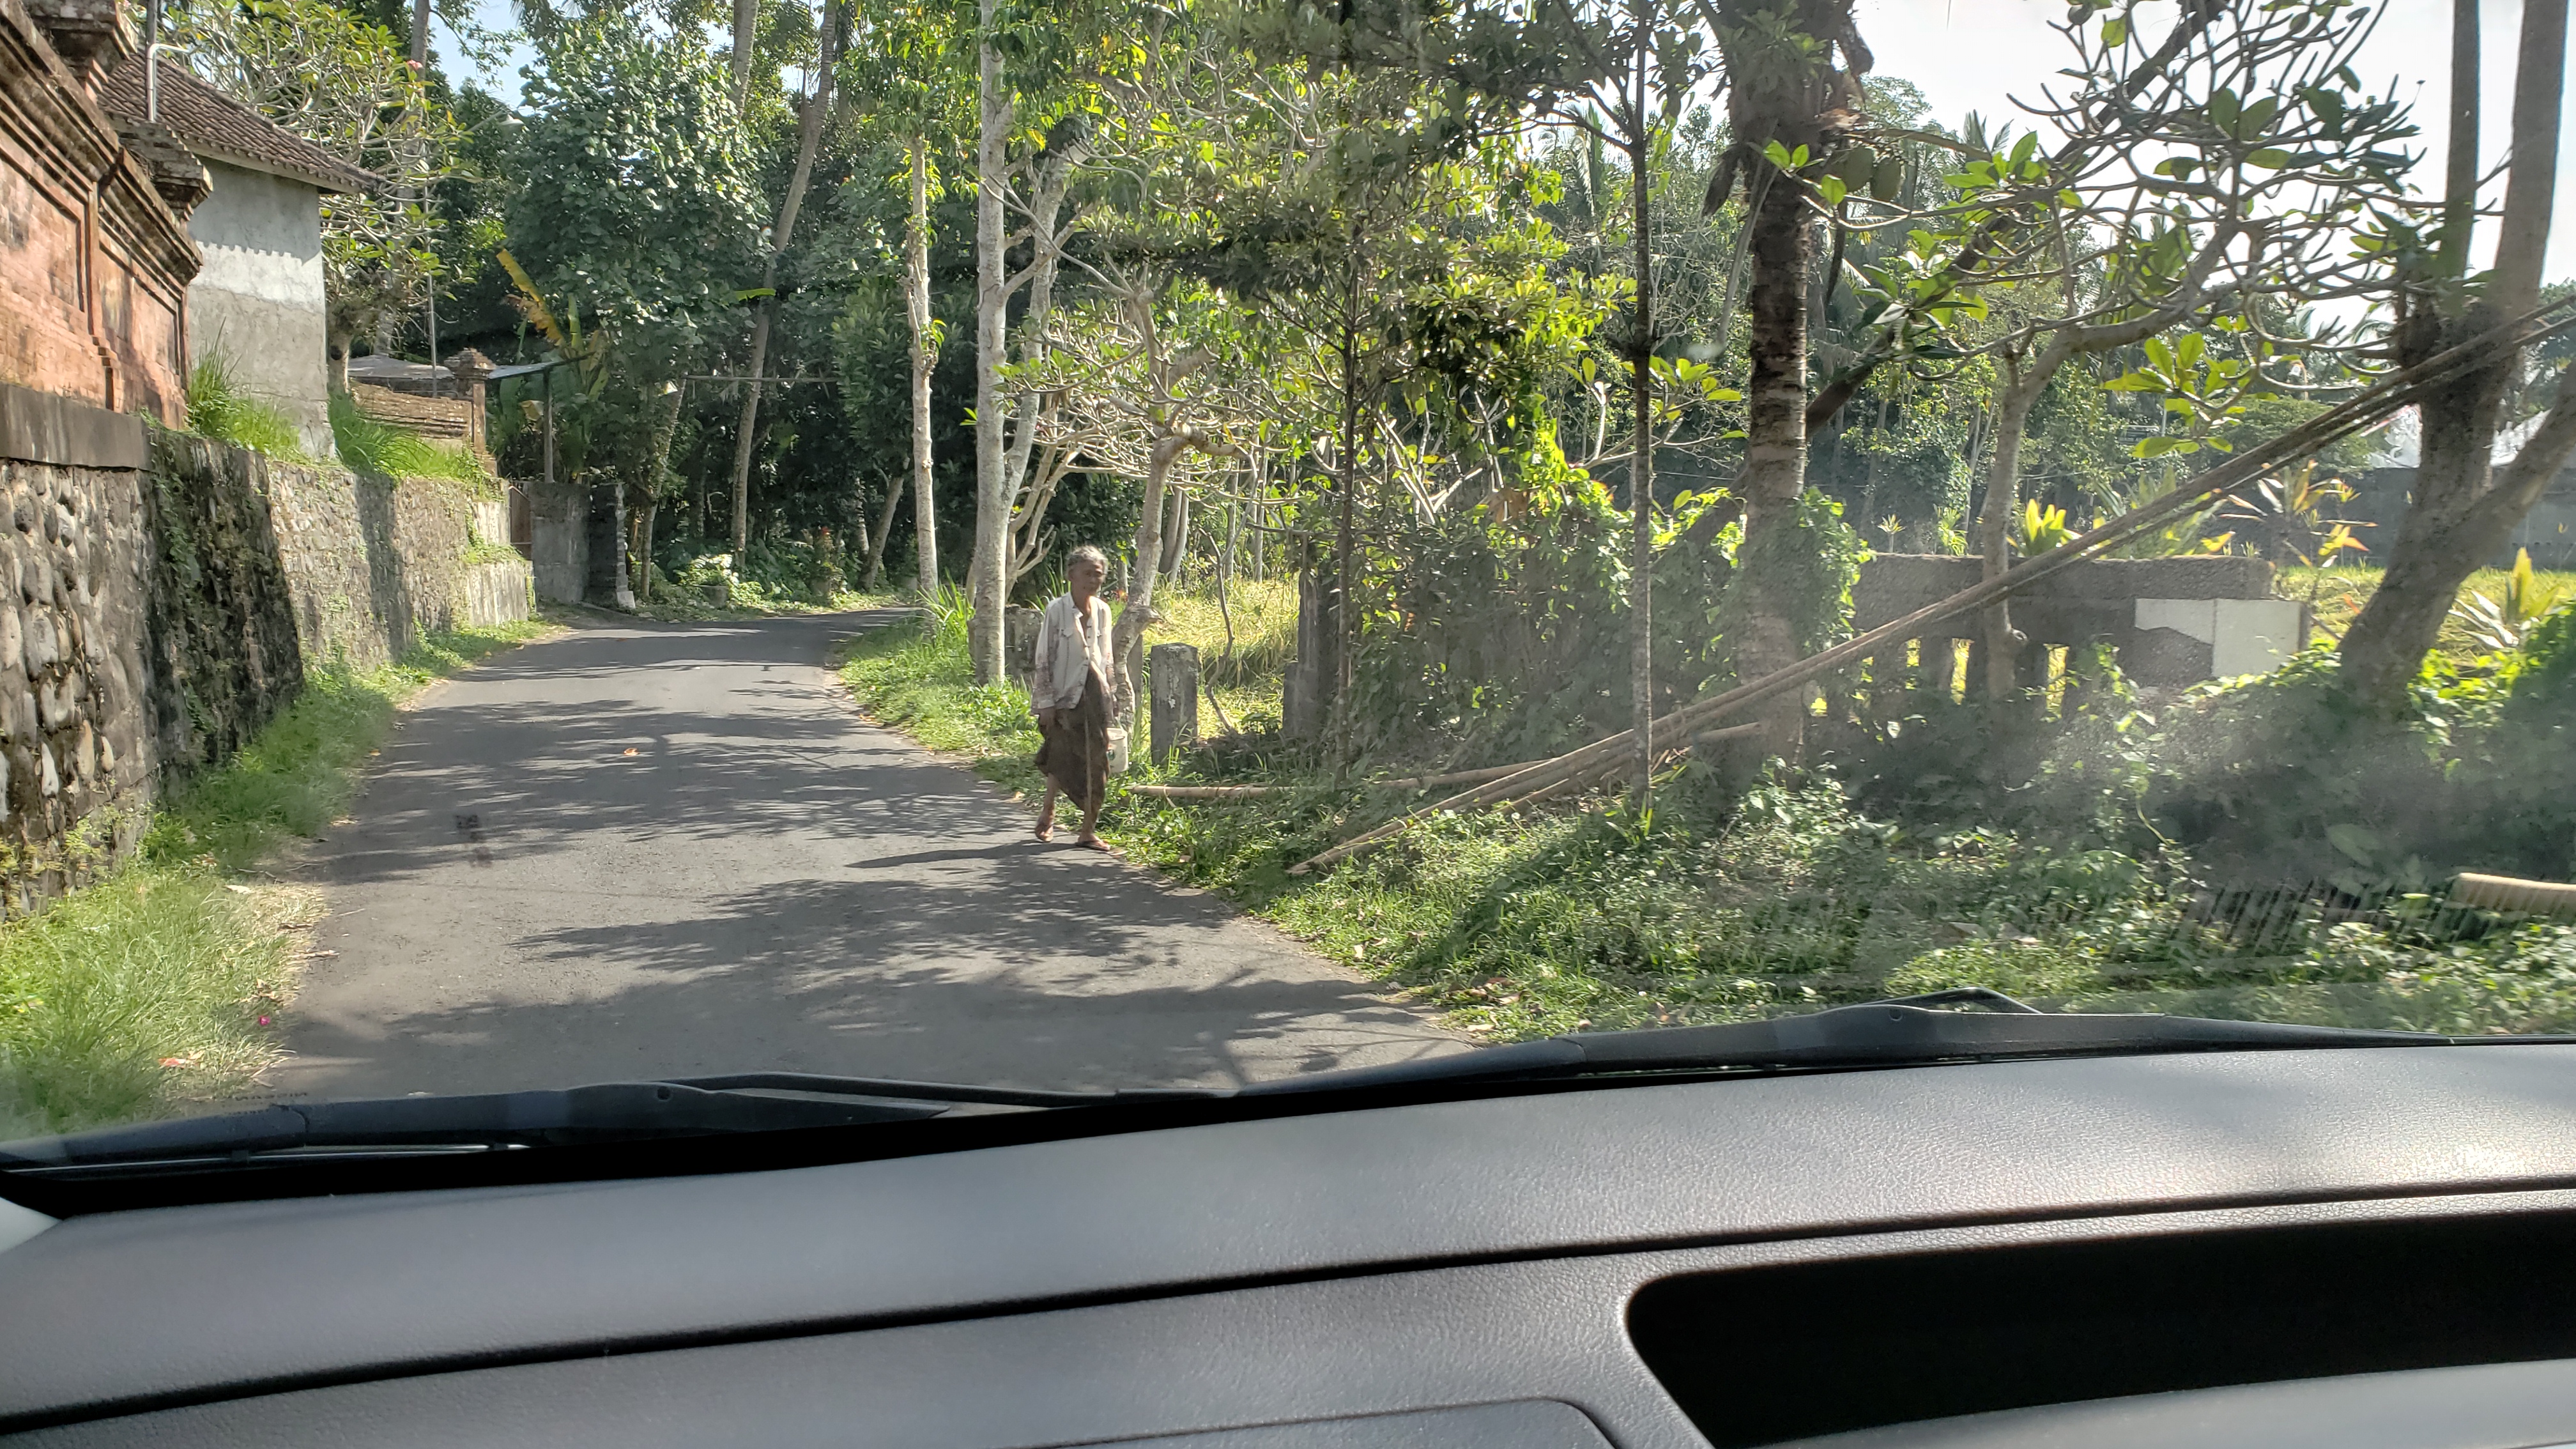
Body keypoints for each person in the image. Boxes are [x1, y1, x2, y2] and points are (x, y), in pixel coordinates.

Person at [1031, 545, 1117, 848]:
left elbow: (1106, 657)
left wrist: (1113, 697)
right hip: (1064, 695)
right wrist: (1046, 703)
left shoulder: (1104, 611)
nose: (1094, 581)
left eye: (1099, 575)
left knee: (1098, 761)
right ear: (1071, 575)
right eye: (1088, 574)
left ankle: (1088, 830)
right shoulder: (1057, 610)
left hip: (1095, 694)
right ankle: (1048, 812)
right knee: (1060, 755)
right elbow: (1044, 657)